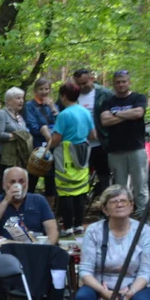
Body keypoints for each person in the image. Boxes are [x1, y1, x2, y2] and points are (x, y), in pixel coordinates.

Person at [49, 82, 96, 235]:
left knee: (65, 191)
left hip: (66, 155)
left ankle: (67, 226)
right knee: (80, 190)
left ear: (63, 96)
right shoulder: (85, 112)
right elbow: (93, 135)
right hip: (83, 154)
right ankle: (79, 225)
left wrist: (47, 148)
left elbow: (56, 138)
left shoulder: (64, 115)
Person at [100, 70, 149, 213]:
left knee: (141, 185)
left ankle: (142, 214)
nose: (121, 85)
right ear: (113, 84)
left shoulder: (138, 98)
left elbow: (139, 113)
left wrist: (115, 114)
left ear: (129, 82)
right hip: (115, 150)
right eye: (118, 82)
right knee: (119, 188)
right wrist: (128, 115)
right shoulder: (108, 102)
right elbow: (105, 120)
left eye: (123, 82)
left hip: (136, 148)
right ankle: (122, 214)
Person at [0, 167, 59, 243]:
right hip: (4, 250)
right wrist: (6, 201)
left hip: (33, 249)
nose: (17, 185)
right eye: (12, 182)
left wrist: (47, 249)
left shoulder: (38, 200)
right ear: (3, 185)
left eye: (21, 182)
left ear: (27, 184)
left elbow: (52, 230)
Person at [73, 68, 114, 198]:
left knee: (104, 175)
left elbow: (113, 113)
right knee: (81, 175)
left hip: (102, 142)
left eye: (84, 83)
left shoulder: (105, 93)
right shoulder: (72, 94)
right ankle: (80, 205)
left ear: (91, 79)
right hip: (80, 143)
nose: (81, 87)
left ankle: (106, 205)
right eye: (78, 84)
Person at [23, 77, 58, 199]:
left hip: (53, 144)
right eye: (41, 89)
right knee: (33, 174)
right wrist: (43, 129)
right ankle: (28, 201)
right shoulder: (29, 105)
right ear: (35, 90)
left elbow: (59, 123)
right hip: (38, 144)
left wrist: (53, 109)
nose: (44, 92)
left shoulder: (52, 104)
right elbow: (32, 125)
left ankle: (50, 206)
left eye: (47, 89)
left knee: (51, 176)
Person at [0, 87, 30, 193]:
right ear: (9, 100)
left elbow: (26, 134)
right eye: (18, 98)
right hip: (1, 157)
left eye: (22, 98)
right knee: (0, 188)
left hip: (16, 157)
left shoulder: (20, 117)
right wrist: (17, 136)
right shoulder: (1, 114)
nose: (21, 101)